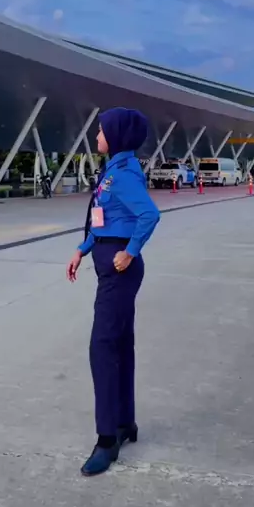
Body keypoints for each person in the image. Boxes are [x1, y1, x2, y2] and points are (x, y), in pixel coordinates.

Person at [66, 107, 160, 477]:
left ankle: (107, 440)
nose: (97, 136)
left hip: (119, 270)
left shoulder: (122, 176)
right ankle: (124, 423)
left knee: (102, 347)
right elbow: (102, 221)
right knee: (120, 344)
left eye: (101, 130)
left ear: (117, 135)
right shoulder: (113, 171)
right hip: (107, 262)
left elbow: (149, 215)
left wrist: (130, 251)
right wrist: (82, 249)